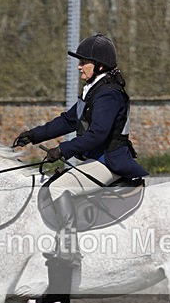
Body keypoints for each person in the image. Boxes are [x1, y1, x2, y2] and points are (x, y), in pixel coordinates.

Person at [13, 33, 148, 274]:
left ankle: (69, 250)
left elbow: (97, 134)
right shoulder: (94, 89)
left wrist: (62, 149)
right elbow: (68, 120)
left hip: (110, 161)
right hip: (98, 159)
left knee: (58, 187)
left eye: (83, 61)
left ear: (99, 65)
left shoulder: (109, 93)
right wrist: (33, 135)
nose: (78, 66)